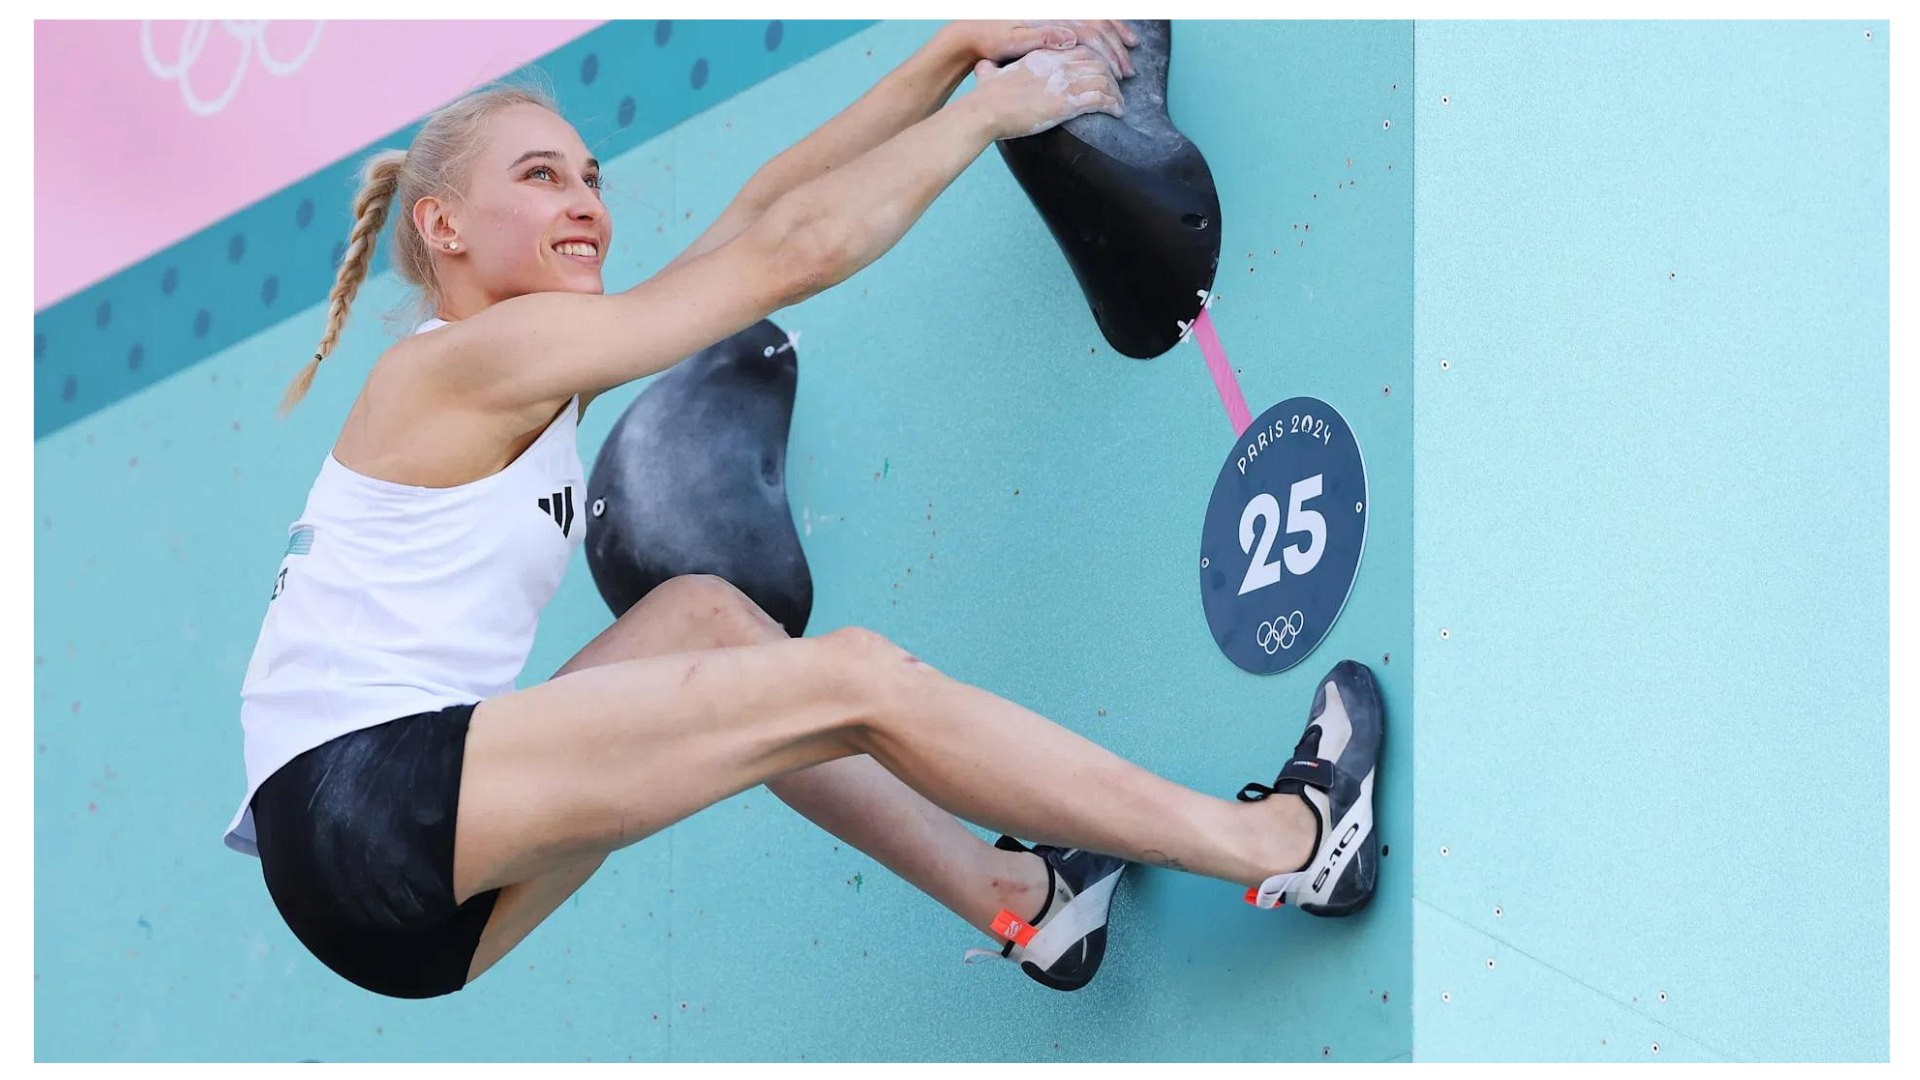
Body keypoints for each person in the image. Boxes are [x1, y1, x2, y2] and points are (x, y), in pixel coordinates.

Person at [228, 19, 1384, 1002]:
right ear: (443, 229)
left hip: (387, 887)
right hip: (369, 806)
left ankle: (1031, 904)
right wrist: (992, 112)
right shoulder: (467, 363)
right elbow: (795, 248)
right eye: (540, 178)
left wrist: (945, 57)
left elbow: (758, 211)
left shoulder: (528, 357)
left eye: (590, 177)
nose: (585, 204)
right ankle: (1285, 845)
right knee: (858, 682)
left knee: (704, 617)